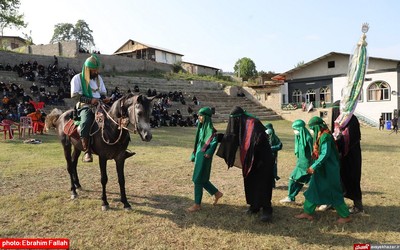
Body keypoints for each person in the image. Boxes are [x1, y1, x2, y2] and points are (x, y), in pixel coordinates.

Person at [216, 106, 275, 222]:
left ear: (239, 118)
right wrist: (220, 138)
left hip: (262, 160)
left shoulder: (254, 123)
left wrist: (255, 141)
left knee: (262, 184)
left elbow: (258, 140)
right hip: (250, 160)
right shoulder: (240, 125)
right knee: (250, 182)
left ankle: (267, 209)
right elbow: (234, 138)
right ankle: (254, 206)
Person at [295, 116, 351, 224]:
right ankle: (307, 212)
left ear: (317, 127)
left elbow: (325, 154)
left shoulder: (325, 136)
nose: (311, 130)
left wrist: (314, 166)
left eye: (312, 128)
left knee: (333, 192)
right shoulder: (320, 135)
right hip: (321, 169)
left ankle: (345, 216)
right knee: (313, 189)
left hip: (329, 170)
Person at [71, 54, 110, 162]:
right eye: (93, 70)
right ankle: (87, 151)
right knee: (85, 123)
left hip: (100, 104)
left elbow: (102, 93)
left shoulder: (98, 79)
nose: (96, 72)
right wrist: (90, 100)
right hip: (86, 105)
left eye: (97, 70)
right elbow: (74, 95)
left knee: (114, 117)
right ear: (87, 69)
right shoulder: (77, 78)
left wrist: (104, 98)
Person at [187, 107, 223, 212]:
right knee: (202, 179)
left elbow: (214, 141)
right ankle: (217, 193)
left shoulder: (211, 130)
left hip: (204, 157)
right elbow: (198, 143)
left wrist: (209, 152)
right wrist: (194, 154)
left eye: (200, 115)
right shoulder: (201, 128)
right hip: (199, 156)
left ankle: (197, 204)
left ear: (206, 117)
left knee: (197, 179)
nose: (199, 117)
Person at [332, 101, 364, 213]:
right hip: (342, 157)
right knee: (340, 180)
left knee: (353, 179)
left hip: (352, 156)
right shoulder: (339, 121)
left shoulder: (351, 120)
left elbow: (351, 138)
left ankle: (358, 205)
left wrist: (339, 140)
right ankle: (335, 202)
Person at [280, 119, 313, 203]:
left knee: (310, 183)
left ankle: (323, 201)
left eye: (295, 129)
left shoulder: (308, 138)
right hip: (300, 164)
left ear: (300, 129)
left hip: (307, 165)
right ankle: (291, 197)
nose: (294, 131)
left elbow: (314, 152)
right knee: (296, 180)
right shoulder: (298, 137)